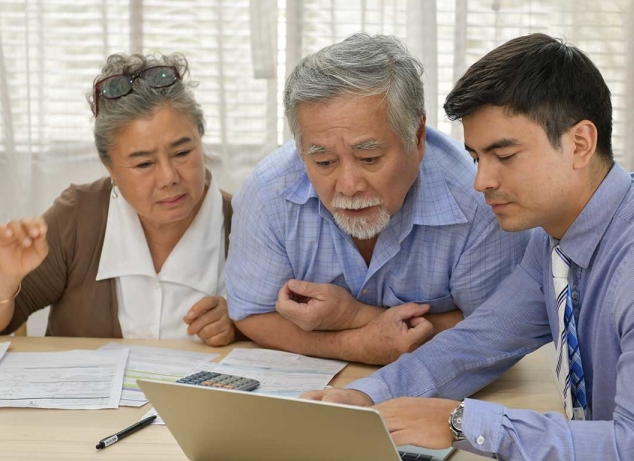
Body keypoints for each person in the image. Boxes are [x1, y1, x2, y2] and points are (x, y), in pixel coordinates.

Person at [302, 33, 634, 461]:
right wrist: (366, 396)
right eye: (477, 157)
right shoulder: (555, 238)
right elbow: (477, 342)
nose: (481, 182)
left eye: (504, 155)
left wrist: (462, 422)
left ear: (579, 143)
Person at [225, 33, 530, 365]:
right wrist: (354, 343)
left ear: (417, 138)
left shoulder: (479, 199)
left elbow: (495, 331)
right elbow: (251, 314)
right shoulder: (268, 191)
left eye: (369, 158)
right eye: (324, 162)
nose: (349, 185)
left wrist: (354, 315)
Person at [0, 52, 239, 346]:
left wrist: (241, 324)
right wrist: (5, 275)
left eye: (182, 153)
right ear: (111, 169)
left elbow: (285, 330)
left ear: (201, 140)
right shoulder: (78, 216)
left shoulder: (247, 221)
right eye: (144, 164)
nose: (169, 177)